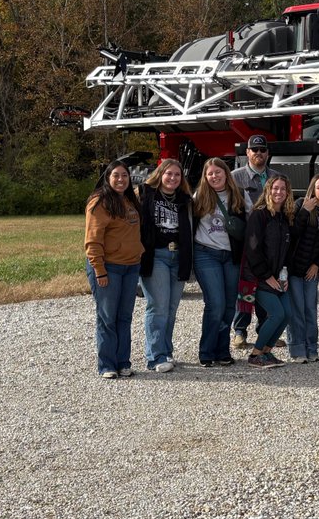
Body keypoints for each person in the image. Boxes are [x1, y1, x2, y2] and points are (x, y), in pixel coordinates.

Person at [84, 160, 143, 379]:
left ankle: (123, 362)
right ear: (107, 178)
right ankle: (107, 365)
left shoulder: (130, 201)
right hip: (108, 267)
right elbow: (93, 240)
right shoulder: (99, 202)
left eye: (125, 176)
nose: (120, 179)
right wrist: (99, 270)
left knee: (124, 317)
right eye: (116, 175)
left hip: (130, 267)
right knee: (107, 317)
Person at [137, 159, 193, 373]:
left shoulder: (185, 199)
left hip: (178, 256)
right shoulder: (145, 193)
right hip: (155, 256)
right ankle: (155, 356)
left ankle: (166, 350)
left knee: (171, 308)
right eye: (169, 174)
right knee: (157, 306)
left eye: (177, 175)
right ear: (160, 174)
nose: (172, 178)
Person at [191, 158, 246, 368]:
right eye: (210, 173)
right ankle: (206, 350)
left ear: (226, 173)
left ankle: (222, 350)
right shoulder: (200, 196)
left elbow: (250, 220)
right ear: (205, 177)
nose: (214, 176)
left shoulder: (238, 195)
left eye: (218, 172)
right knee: (216, 304)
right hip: (207, 254)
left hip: (230, 256)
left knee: (230, 306)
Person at [231, 134, 280, 348]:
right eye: (254, 150)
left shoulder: (277, 177)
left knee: (265, 286)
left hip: (270, 242)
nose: (258, 153)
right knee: (245, 286)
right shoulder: (235, 177)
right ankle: (240, 331)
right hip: (246, 241)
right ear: (247, 153)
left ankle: (265, 329)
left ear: (268, 153)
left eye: (262, 150)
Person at [243, 175, 294, 369]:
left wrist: (284, 274)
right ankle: (255, 354)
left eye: (283, 189)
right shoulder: (259, 215)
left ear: (288, 193)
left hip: (278, 277)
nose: (278, 192)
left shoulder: (285, 217)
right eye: (275, 188)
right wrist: (267, 276)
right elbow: (253, 249)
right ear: (268, 191)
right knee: (276, 314)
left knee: (287, 314)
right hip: (260, 277)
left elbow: (288, 251)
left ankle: (267, 351)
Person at [285, 174, 319, 363]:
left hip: (311, 270)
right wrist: (305, 211)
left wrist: (318, 266)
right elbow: (292, 234)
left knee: (310, 309)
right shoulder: (301, 205)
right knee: (296, 309)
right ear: (312, 190)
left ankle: (312, 347)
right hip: (294, 269)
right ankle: (297, 349)